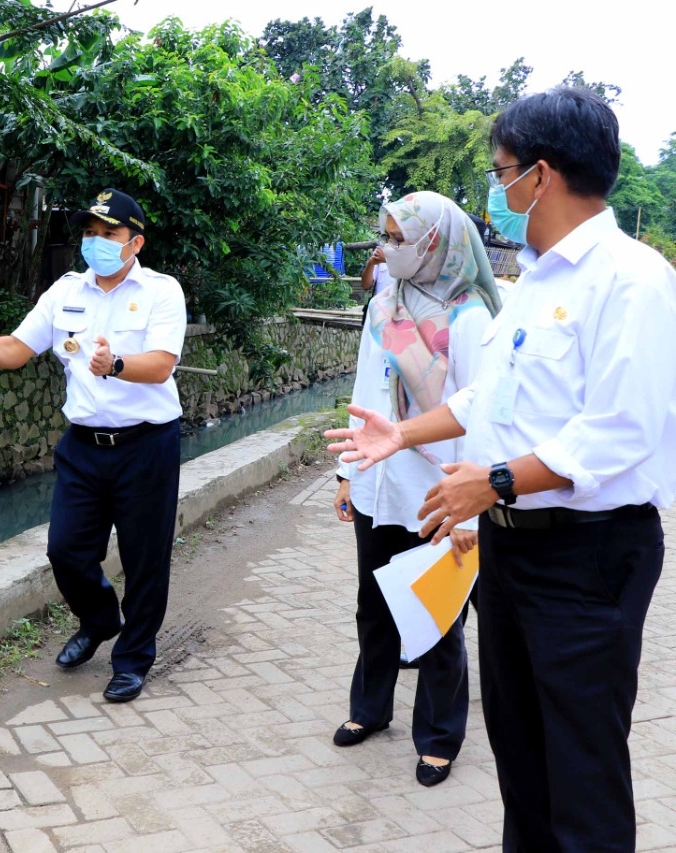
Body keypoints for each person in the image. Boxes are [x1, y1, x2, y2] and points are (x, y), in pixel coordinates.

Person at [326, 88, 676, 851]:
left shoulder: (632, 279)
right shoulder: (534, 283)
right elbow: (487, 395)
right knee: (523, 764)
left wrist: (495, 481)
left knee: (580, 775)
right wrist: (402, 431)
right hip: (511, 550)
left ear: (540, 175)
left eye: (501, 171)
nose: (498, 189)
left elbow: (622, 430)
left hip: (586, 558)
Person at [0, 188, 186, 704]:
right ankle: (99, 620)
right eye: (90, 233)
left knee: (145, 559)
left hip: (147, 445)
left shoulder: (162, 292)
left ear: (135, 242)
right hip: (84, 445)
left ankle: (133, 659)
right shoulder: (66, 291)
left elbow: (162, 364)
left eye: (109, 233)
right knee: (65, 549)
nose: (96, 242)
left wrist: (115, 364)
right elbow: (18, 348)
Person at [333, 191, 501, 787]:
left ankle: (438, 737)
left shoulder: (470, 317)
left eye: (400, 238)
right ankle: (370, 708)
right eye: (386, 236)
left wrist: (470, 513)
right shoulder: (385, 303)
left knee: (436, 616)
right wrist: (348, 474)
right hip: (378, 484)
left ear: (436, 242)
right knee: (374, 605)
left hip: (439, 493)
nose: (389, 248)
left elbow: (483, 416)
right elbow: (365, 391)